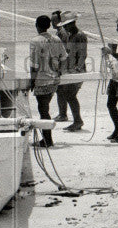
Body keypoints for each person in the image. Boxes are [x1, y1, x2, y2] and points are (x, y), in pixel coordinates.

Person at [29, 15, 67, 148]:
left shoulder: (35, 41)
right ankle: (47, 138)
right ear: (49, 26)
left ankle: (47, 140)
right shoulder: (56, 39)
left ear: (36, 25)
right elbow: (63, 58)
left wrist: (32, 81)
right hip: (54, 79)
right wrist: (59, 72)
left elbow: (34, 65)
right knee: (45, 108)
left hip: (42, 80)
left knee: (43, 110)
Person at [57, 11, 87, 131]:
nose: (64, 27)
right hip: (69, 70)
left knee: (70, 95)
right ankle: (77, 120)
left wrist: (77, 69)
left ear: (72, 23)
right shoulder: (70, 35)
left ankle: (78, 121)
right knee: (67, 94)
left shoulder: (80, 35)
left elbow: (83, 54)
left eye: (66, 25)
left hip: (77, 70)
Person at [52, 10, 71, 123]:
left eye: (54, 20)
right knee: (60, 90)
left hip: (62, 64)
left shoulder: (62, 33)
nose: (52, 23)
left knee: (61, 90)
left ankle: (63, 114)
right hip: (61, 63)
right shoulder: (60, 32)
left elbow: (63, 51)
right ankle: (62, 113)